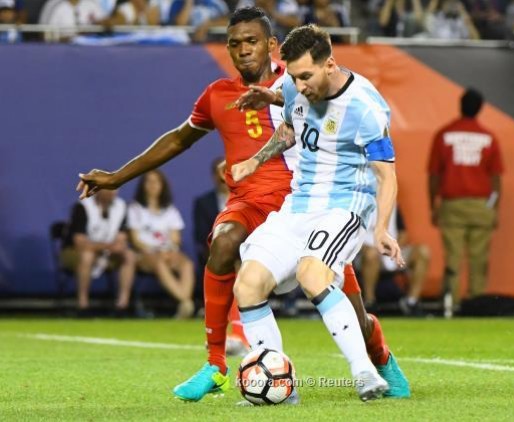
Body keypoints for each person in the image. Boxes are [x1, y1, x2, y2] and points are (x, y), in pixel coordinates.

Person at [77, 7, 406, 403]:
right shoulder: (222, 94)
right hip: (260, 204)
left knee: (347, 306)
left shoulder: (302, 83)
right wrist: (117, 176)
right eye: (234, 44)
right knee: (226, 247)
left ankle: (378, 359)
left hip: (312, 203)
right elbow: (179, 139)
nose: (243, 50)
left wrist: (380, 226)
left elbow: (359, 153)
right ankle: (218, 366)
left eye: (251, 41)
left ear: (271, 45)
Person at [230, 23, 410, 402]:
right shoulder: (294, 86)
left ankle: (365, 373)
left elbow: (387, 175)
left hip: (344, 206)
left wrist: (381, 229)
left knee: (312, 274)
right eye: (294, 77)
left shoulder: (365, 108)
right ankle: (279, 388)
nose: (299, 85)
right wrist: (255, 160)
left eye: (306, 76)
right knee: (247, 283)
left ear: (330, 64)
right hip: (298, 206)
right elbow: (290, 129)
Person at [428, 87, 503, 312]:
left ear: (460, 106)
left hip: (452, 205)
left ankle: (451, 303)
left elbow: (434, 175)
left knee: (453, 257)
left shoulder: (444, 134)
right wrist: (493, 208)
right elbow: (496, 179)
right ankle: (476, 304)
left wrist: (433, 205)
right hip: (481, 205)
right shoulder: (488, 137)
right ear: (480, 109)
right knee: (479, 258)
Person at [193, 158, 249, 355]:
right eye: (221, 172)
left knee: (241, 268)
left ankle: (241, 336)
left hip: (253, 252)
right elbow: (201, 235)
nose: (224, 177)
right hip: (220, 254)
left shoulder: (251, 197)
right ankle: (234, 338)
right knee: (229, 262)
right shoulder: (204, 202)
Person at [128, 170, 196, 319]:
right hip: (145, 254)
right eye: (149, 181)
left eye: (156, 181)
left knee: (187, 264)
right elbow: (135, 240)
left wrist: (169, 250)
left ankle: (184, 303)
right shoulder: (135, 209)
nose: (153, 185)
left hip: (168, 252)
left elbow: (175, 238)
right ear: (143, 185)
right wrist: (155, 250)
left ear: (162, 185)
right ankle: (185, 301)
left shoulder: (170, 210)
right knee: (159, 262)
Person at [61, 190, 136, 316]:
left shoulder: (121, 206)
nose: (111, 192)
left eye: (114, 188)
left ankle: (122, 306)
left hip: (106, 254)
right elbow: (80, 242)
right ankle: (83, 305)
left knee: (129, 255)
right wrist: (106, 246)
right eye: (107, 188)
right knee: (87, 255)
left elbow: (121, 237)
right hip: (75, 252)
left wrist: (117, 246)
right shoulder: (82, 206)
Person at [360, 203, 429, 316]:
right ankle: (369, 303)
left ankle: (411, 302)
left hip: (391, 250)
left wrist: (394, 248)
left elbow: (403, 233)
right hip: (365, 252)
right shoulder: (360, 202)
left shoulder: (390, 203)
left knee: (422, 252)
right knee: (371, 254)